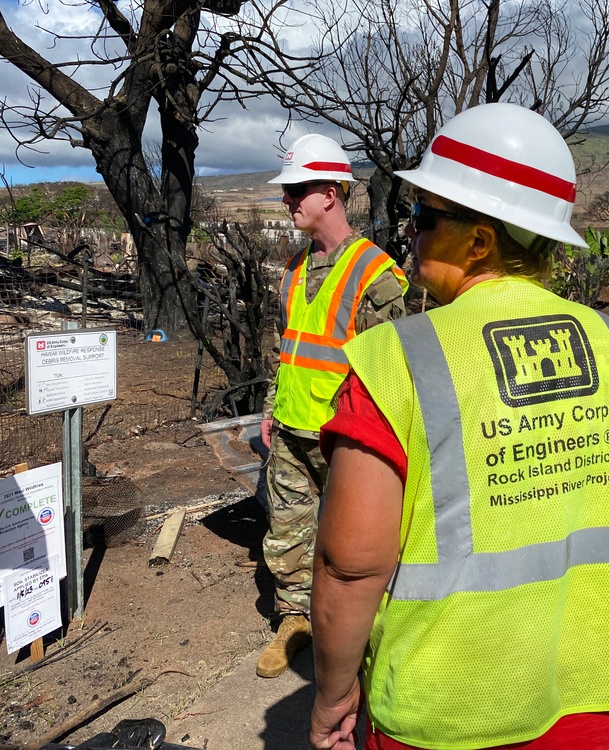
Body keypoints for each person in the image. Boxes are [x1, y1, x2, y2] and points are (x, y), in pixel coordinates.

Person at [307, 102, 609, 750]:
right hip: (590, 702)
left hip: (444, 715)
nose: (408, 232)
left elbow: (350, 564)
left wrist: (333, 694)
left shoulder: (397, 360)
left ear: (479, 240)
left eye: (424, 217)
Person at [256, 134, 408, 679]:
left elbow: (391, 372)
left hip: (348, 438)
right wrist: (273, 407)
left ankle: (372, 637)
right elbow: (288, 347)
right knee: (288, 531)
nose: (287, 200)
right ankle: (295, 621)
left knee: (358, 545)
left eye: (297, 189)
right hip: (294, 430)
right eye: (287, 191)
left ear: (331, 192)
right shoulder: (294, 270)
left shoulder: (376, 274)